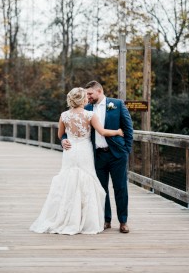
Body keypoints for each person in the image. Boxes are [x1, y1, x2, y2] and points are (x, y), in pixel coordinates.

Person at [29, 87, 124, 235]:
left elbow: (61, 135)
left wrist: (64, 141)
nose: (88, 98)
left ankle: (66, 218)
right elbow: (103, 132)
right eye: (86, 96)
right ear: (83, 100)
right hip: (85, 151)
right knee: (86, 181)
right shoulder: (90, 115)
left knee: (69, 181)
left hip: (70, 151)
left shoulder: (64, 115)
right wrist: (118, 131)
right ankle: (85, 220)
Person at [62, 81, 133, 234]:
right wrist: (63, 139)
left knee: (120, 188)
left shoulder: (117, 104)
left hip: (117, 155)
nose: (88, 97)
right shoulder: (85, 109)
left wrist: (126, 150)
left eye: (90, 94)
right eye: (86, 95)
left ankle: (123, 221)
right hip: (96, 155)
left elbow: (128, 129)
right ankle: (106, 220)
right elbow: (65, 129)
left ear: (99, 91)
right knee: (100, 189)